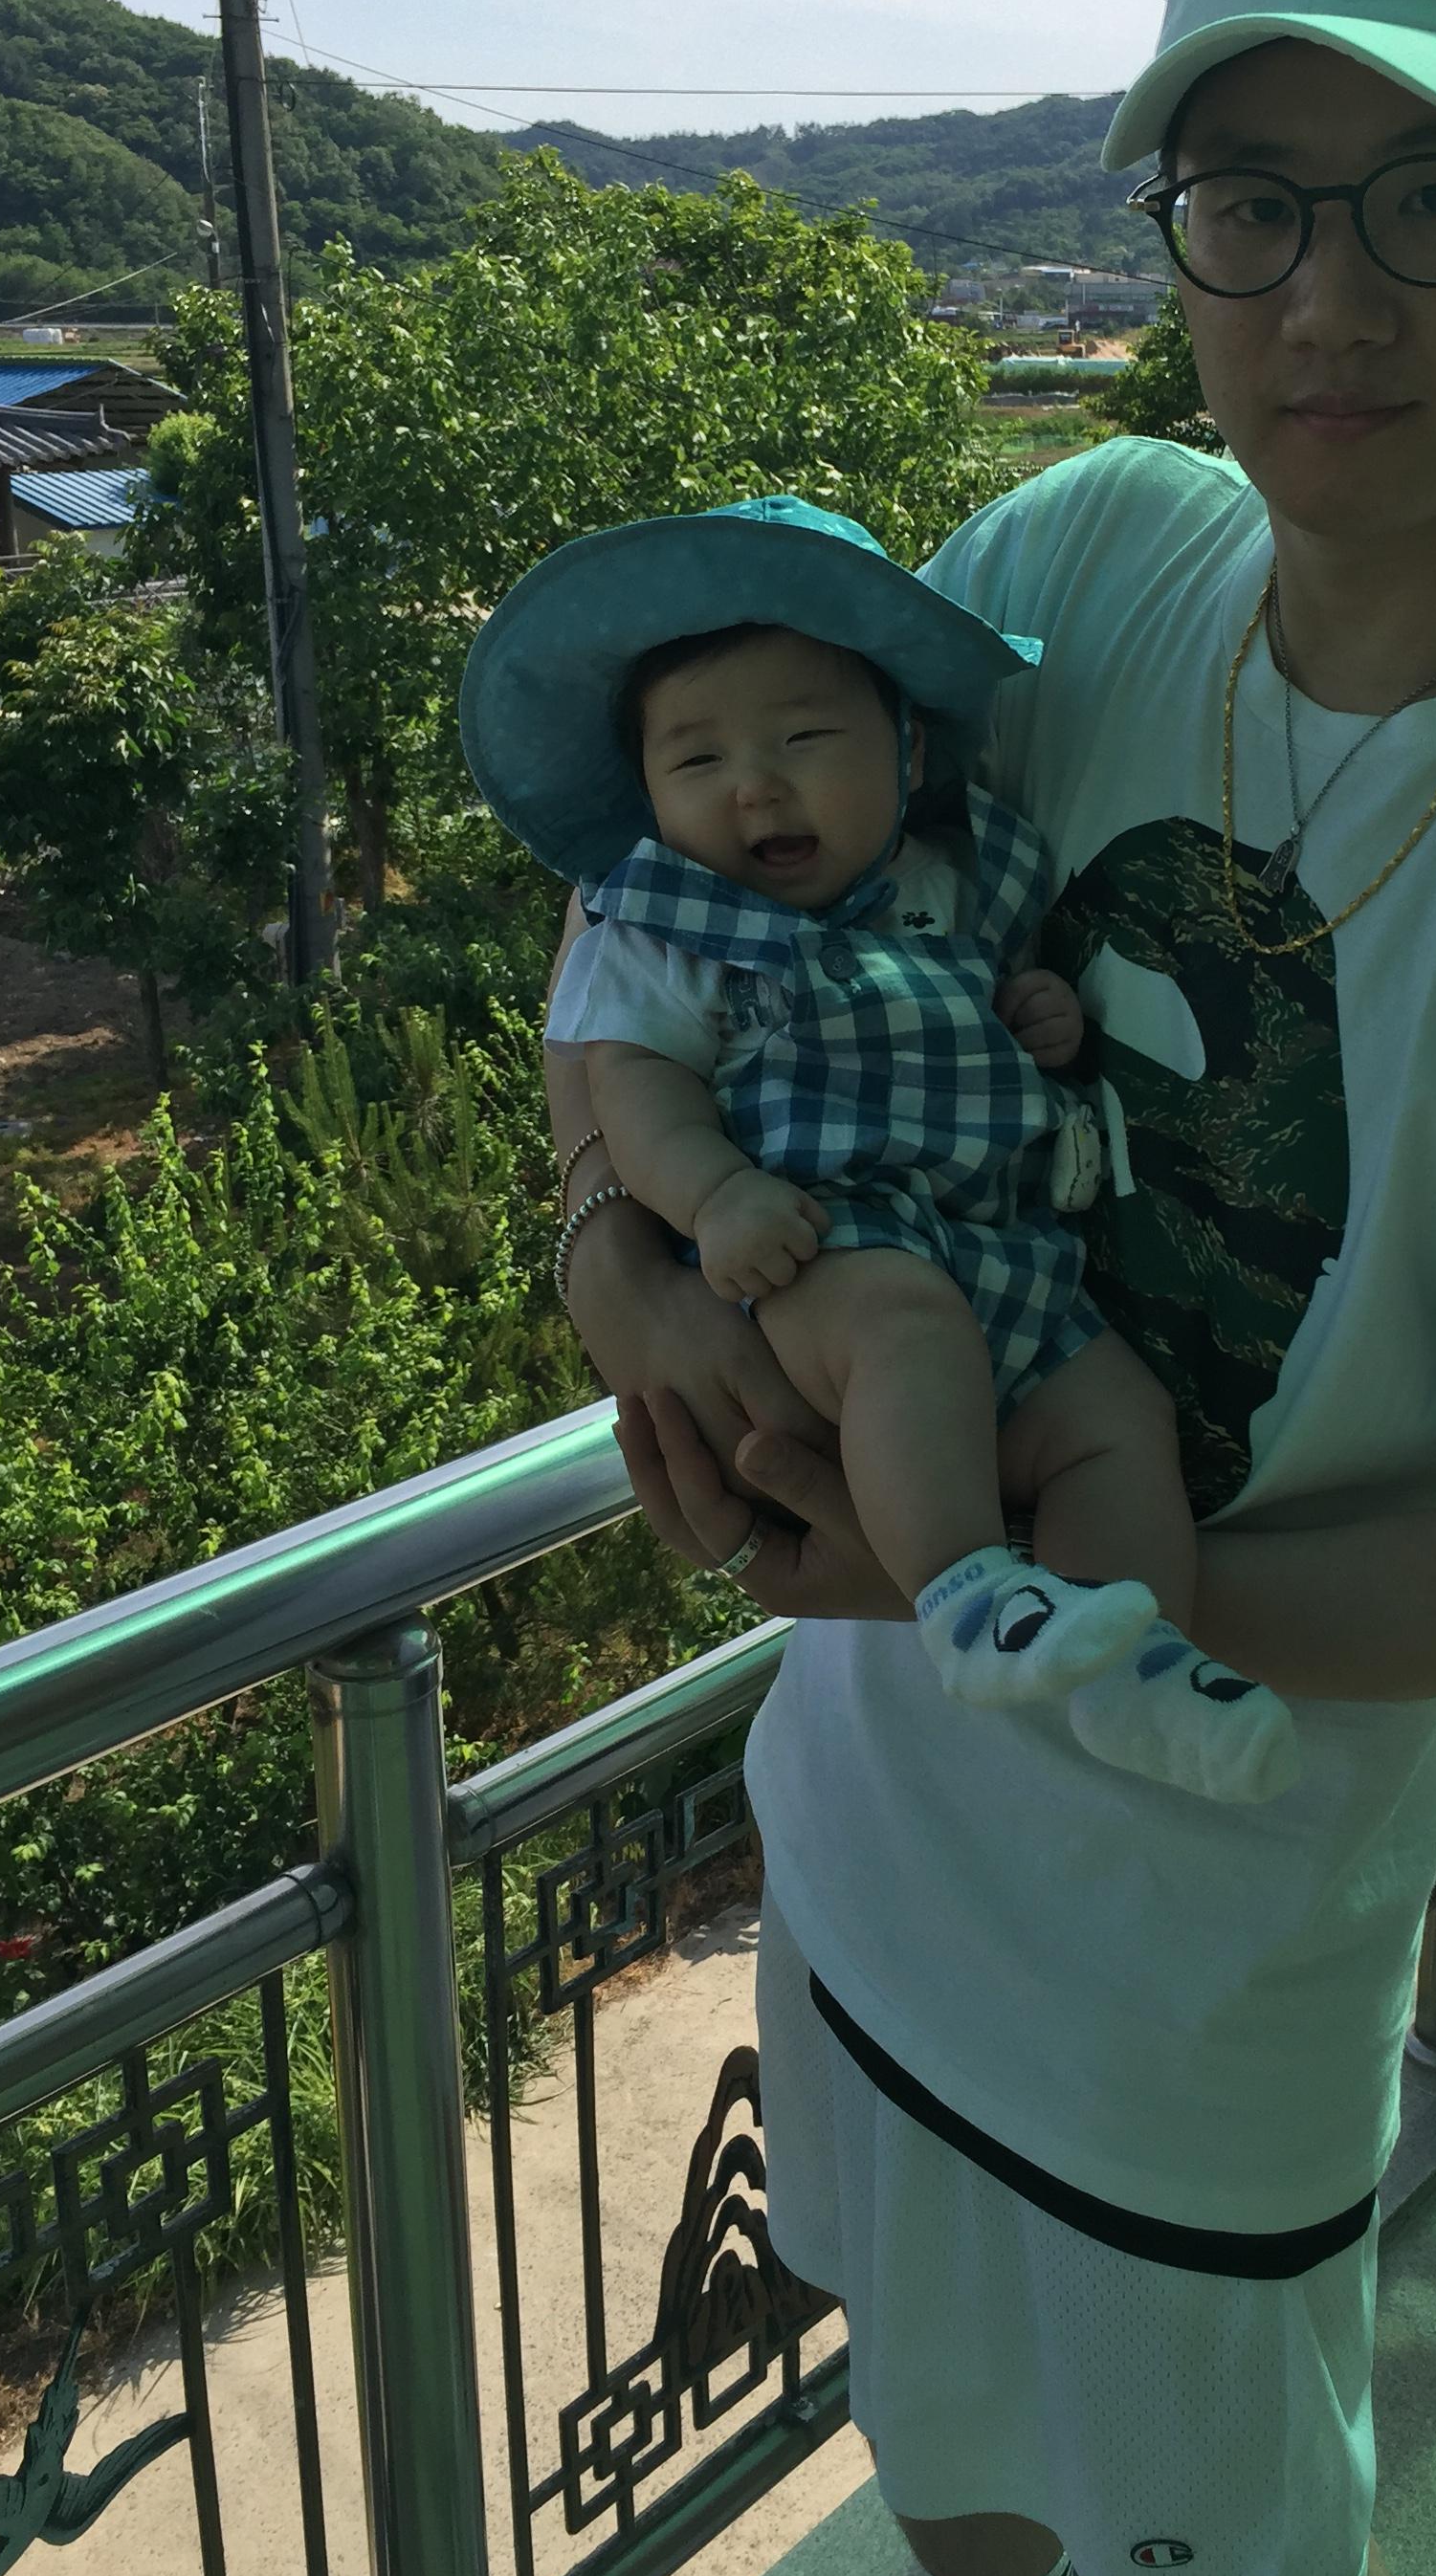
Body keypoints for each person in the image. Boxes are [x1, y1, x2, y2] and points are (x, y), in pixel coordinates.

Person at [546, 0, 1436, 2576]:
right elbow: (684, 900)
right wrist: (610, 1250)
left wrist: (1038, 1588)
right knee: (951, 2500)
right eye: (1250, 200)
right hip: (862, 1839)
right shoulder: (1085, 558)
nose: (1327, 300)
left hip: (1198, 1978)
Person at [460, 507, 1299, 1803]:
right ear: (648, 792)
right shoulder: (674, 929)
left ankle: (1139, 1665)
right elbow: (635, 1084)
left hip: (1011, 1258)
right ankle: (970, 1594)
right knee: (906, 1333)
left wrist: (1042, 1015)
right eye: (698, 759)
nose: (755, 787)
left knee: (1115, 1422)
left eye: (805, 740)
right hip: (825, 1250)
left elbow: (1001, 999)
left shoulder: (957, 879)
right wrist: (715, 1197)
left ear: (907, 750)